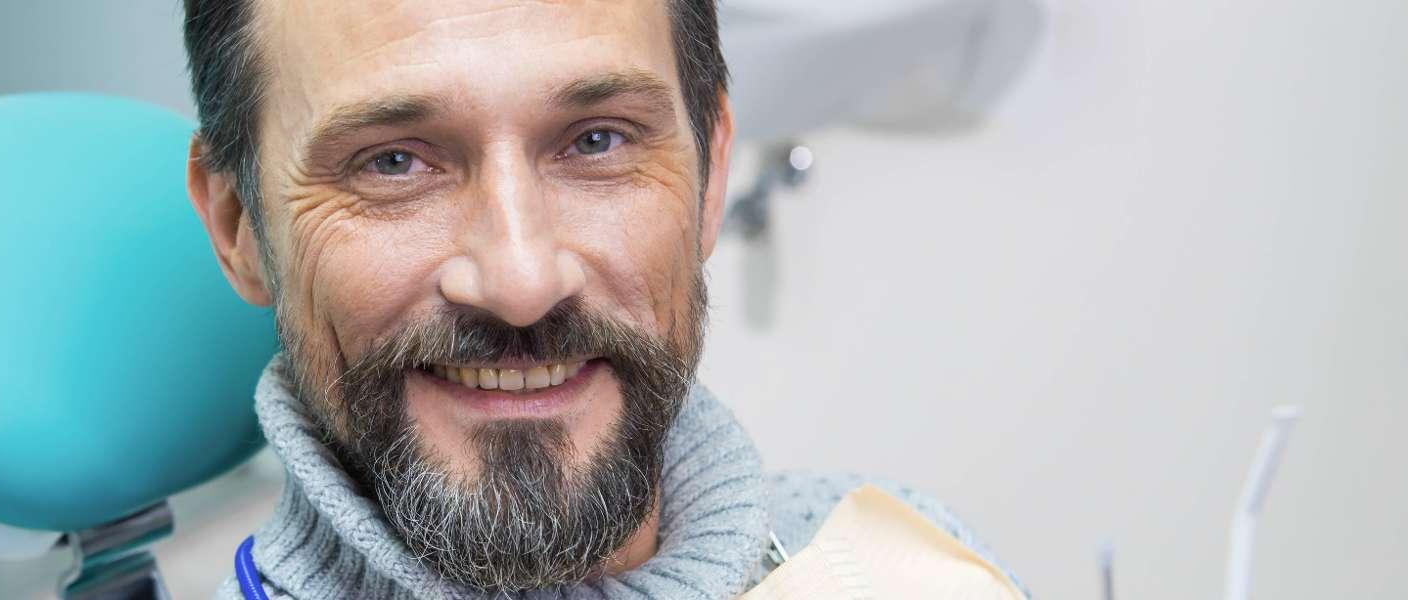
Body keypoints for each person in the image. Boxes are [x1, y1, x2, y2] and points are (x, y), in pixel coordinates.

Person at [181, 1, 1022, 598]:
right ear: (235, 226)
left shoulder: (904, 559)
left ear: (710, 173)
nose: (521, 281)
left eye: (597, 141)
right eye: (393, 163)